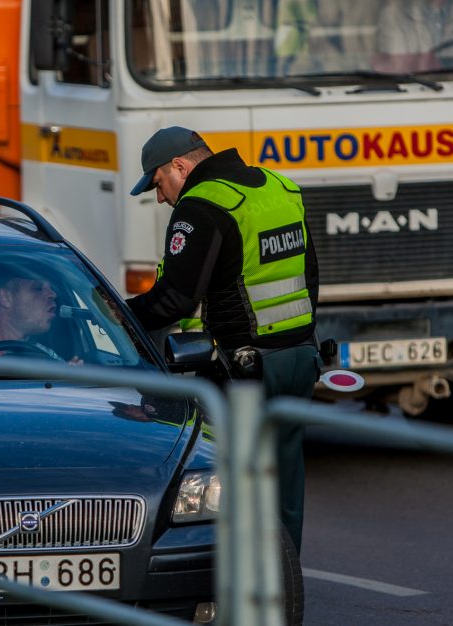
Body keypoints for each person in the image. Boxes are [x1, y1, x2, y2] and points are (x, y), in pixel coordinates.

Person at [126, 126, 321, 554]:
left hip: (246, 370)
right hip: (300, 358)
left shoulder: (202, 204)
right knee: (286, 482)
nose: (160, 198)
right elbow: (309, 277)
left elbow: (175, 298)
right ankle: (284, 584)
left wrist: (118, 317)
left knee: (230, 481)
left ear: (180, 165)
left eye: (158, 184)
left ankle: (244, 590)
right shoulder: (279, 187)